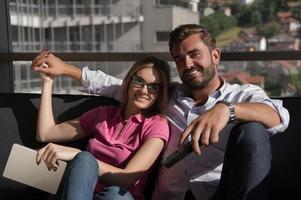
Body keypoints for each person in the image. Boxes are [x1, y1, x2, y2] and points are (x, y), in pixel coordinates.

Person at [32, 24, 290, 200]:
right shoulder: (166, 97)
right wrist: (64, 70)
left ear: (215, 55)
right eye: (179, 58)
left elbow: (279, 117)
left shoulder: (241, 95)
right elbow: (114, 85)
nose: (187, 64)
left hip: (220, 192)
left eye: (194, 54)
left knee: (253, 130)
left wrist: (228, 110)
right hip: (172, 197)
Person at [34, 56, 171, 200]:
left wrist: (80, 157)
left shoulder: (157, 126)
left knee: (115, 194)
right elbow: (45, 133)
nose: (144, 91)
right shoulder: (104, 114)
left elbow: (127, 178)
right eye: (139, 81)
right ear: (129, 81)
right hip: (77, 192)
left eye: (153, 87)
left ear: (161, 93)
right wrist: (47, 82)